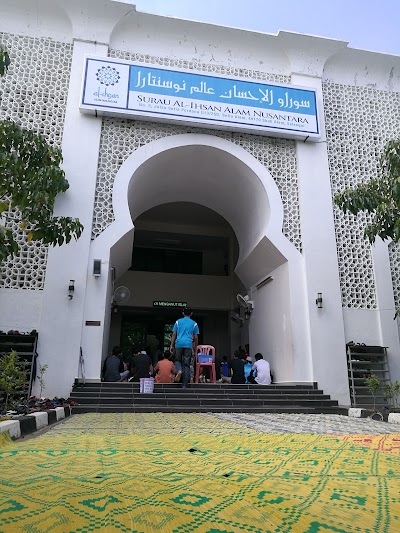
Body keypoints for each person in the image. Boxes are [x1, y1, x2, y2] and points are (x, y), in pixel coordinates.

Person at [170, 307, 199, 388]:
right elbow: (196, 337)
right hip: (188, 344)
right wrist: (195, 347)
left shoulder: (178, 322)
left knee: (177, 360)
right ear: (191, 313)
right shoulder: (194, 324)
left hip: (178, 344)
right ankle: (185, 385)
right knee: (187, 364)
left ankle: (179, 370)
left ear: (183, 313)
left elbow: (174, 334)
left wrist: (171, 345)